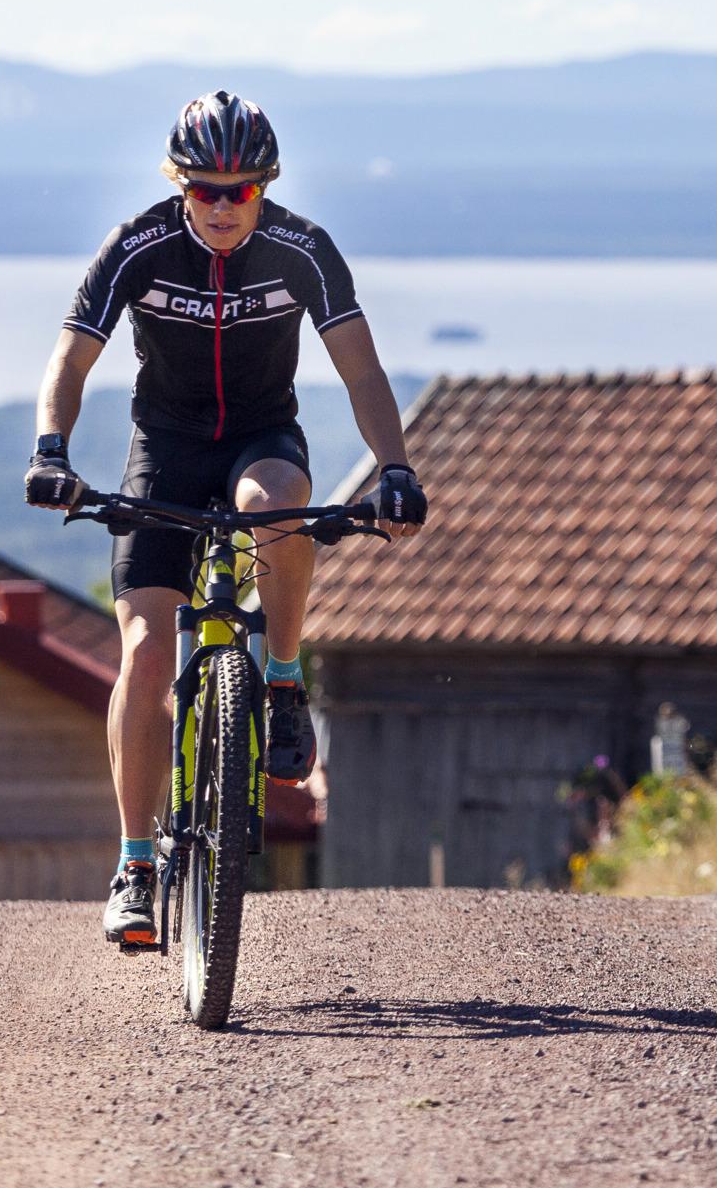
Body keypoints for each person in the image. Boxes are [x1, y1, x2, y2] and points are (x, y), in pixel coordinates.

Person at [23, 91, 426, 947]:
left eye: (241, 191)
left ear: (266, 189)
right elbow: (71, 353)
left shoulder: (301, 249)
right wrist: (52, 450)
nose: (221, 205)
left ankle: (280, 680)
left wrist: (394, 468)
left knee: (275, 506)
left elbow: (360, 370)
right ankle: (136, 864)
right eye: (204, 188)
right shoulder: (138, 244)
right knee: (141, 647)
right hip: (164, 447)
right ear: (177, 184)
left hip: (260, 439)